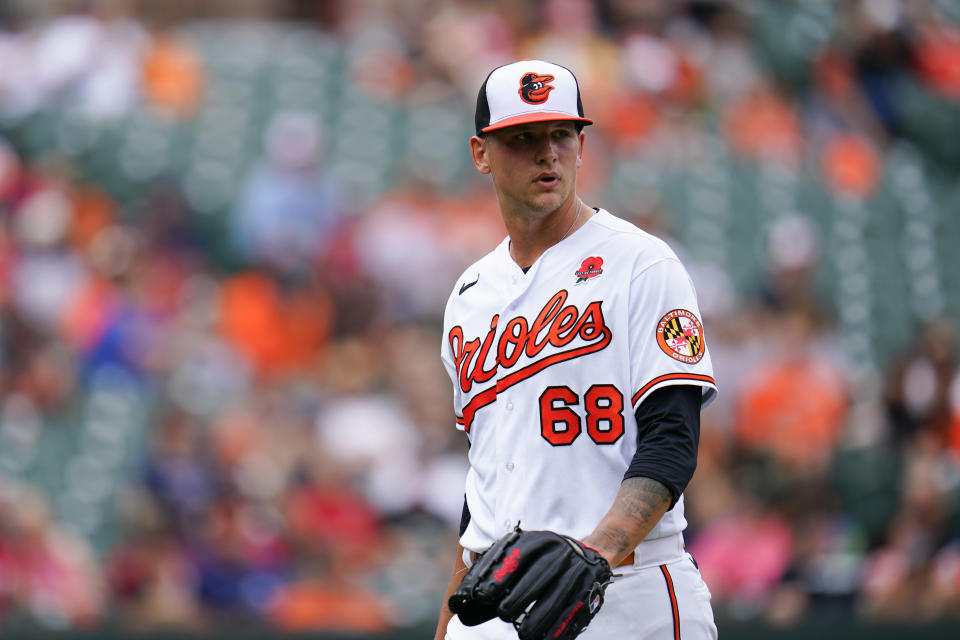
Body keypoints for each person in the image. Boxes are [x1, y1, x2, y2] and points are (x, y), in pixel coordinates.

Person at [434, 60, 719, 639]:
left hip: (626, 591)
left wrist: (598, 552)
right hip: (493, 597)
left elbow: (673, 440)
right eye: (523, 138)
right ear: (480, 153)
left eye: (562, 134)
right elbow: (483, 481)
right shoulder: (469, 295)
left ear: (582, 145)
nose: (548, 153)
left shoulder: (642, 265)